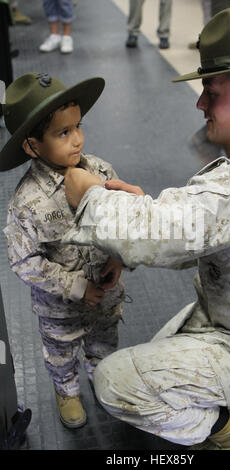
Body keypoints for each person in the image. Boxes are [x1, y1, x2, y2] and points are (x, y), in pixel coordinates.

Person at [62, 6, 230, 450]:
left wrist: (89, 197)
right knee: (154, 356)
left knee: (117, 381)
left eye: (211, 91)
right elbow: (204, 226)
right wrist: (142, 210)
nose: (199, 103)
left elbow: (170, 230)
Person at [0, 73, 125, 429]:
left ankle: (101, 374)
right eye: (63, 133)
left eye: (78, 127)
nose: (78, 140)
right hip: (60, 309)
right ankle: (67, 390)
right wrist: (75, 287)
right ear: (32, 146)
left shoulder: (101, 172)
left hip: (106, 294)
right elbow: (24, 261)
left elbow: (123, 223)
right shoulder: (26, 202)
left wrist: (117, 258)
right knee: (61, 353)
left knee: (104, 341)